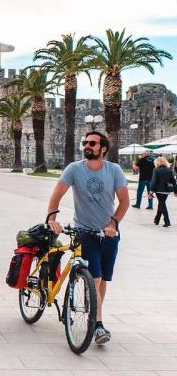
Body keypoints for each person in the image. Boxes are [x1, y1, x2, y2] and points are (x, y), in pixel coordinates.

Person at [47, 131, 129, 345]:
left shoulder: (114, 170)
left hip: (109, 234)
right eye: (85, 142)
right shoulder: (74, 169)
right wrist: (52, 218)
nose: (87, 146)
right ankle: (98, 325)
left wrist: (113, 224)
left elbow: (124, 202)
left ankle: (94, 313)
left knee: (102, 280)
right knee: (95, 277)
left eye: (92, 143)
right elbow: (57, 194)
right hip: (85, 232)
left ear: (103, 148)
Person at [150, 156, 177, 227]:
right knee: (161, 204)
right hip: (167, 191)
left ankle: (167, 221)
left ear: (157, 162)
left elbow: (154, 181)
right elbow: (173, 181)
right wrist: (175, 191)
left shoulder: (156, 170)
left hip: (159, 191)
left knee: (162, 205)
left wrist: (151, 191)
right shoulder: (169, 170)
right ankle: (157, 219)